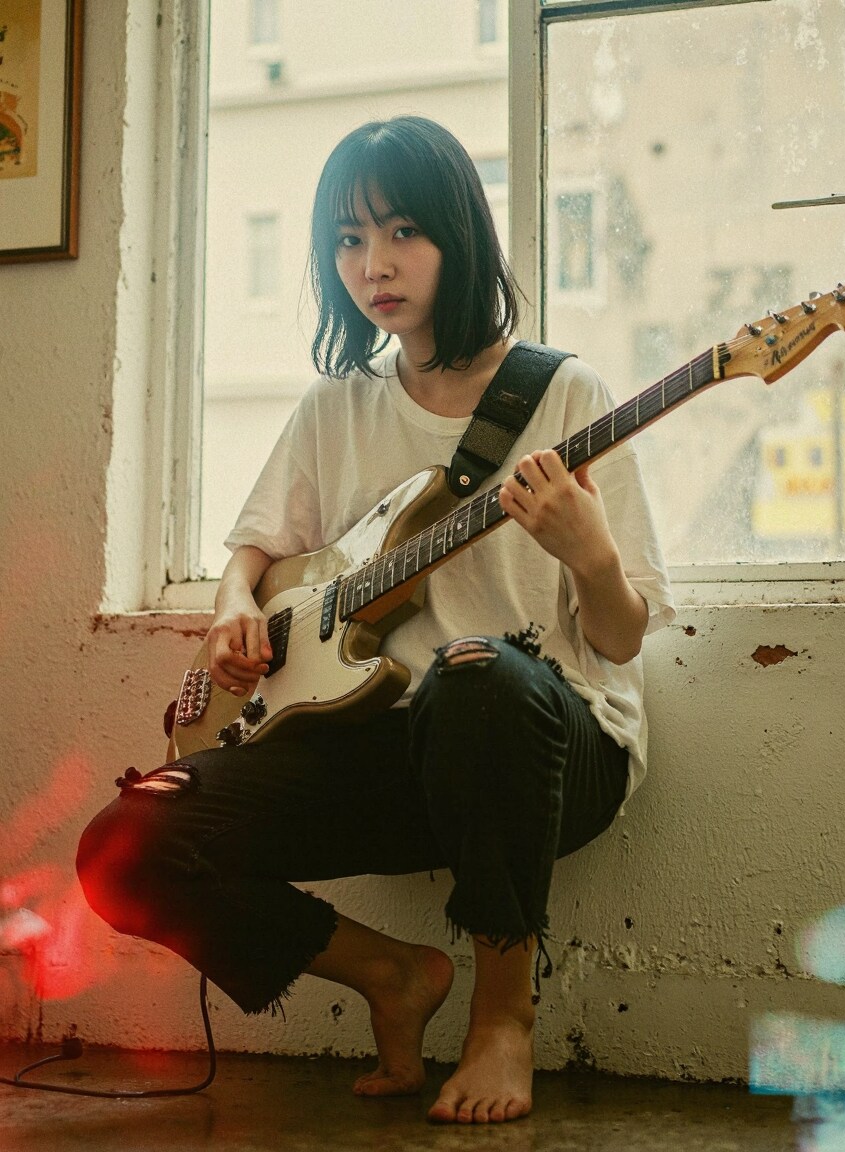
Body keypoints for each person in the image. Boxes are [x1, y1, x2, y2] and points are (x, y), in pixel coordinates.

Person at [77, 116, 675, 1125]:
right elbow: (254, 553)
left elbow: (617, 639)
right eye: (349, 240)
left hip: (543, 749)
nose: (374, 265)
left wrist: (589, 554)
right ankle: (391, 975)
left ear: (459, 235)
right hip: (377, 745)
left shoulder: (566, 394)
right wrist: (234, 613)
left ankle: (502, 1017)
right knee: (122, 846)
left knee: (477, 672)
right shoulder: (335, 407)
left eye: (402, 232)